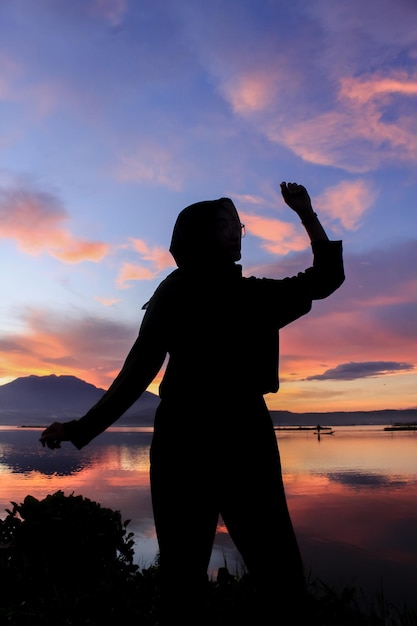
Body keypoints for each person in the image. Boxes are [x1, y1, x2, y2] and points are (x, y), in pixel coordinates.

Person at [40, 182, 344, 624]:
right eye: (223, 226)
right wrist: (78, 427)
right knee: (183, 579)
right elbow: (136, 372)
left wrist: (306, 213)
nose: (236, 233)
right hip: (186, 444)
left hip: (242, 440)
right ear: (196, 236)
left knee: (277, 571)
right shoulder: (176, 294)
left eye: (237, 225)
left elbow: (326, 279)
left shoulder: (252, 295)